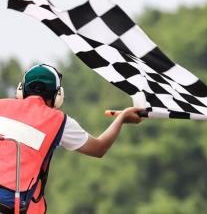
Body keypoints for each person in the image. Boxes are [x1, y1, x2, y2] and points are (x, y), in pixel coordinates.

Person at [0, 64, 143, 214]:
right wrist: (122, 118)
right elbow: (99, 148)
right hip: (10, 206)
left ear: (21, 90)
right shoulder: (59, 121)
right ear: (57, 97)